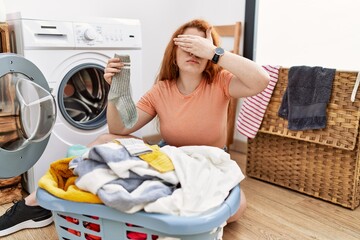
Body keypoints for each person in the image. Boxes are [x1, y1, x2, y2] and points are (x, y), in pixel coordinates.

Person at [0, 19, 269, 237]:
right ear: (173, 55)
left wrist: (215, 51)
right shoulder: (161, 90)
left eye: (198, 45)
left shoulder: (221, 82)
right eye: (185, 44)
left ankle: (145, 214)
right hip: (168, 158)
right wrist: (114, 88)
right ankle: (36, 203)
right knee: (106, 137)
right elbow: (121, 127)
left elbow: (260, 80)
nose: (192, 51)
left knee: (236, 209)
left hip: (208, 162)